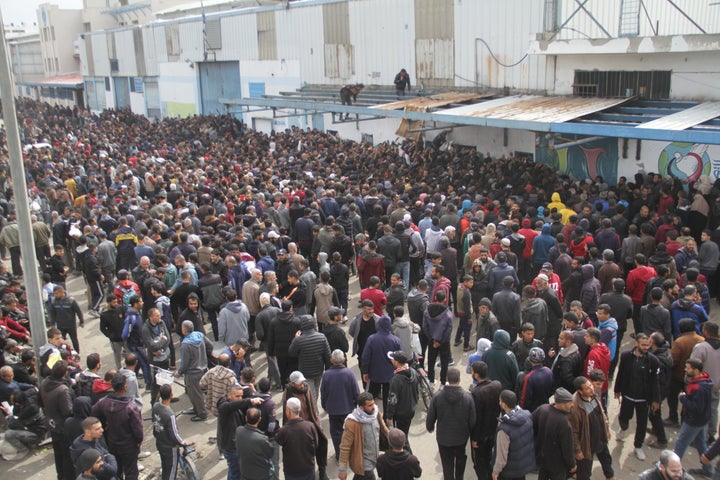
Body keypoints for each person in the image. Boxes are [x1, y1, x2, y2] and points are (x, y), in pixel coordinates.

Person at [614, 333, 661, 461]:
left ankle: (638, 446)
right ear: (636, 344)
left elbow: (655, 381)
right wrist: (617, 389)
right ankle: (623, 429)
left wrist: (656, 399)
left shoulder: (653, 361)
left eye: (648, 345)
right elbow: (621, 373)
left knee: (642, 423)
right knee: (624, 417)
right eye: (643, 345)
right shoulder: (626, 356)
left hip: (643, 398)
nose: (646, 347)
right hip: (628, 395)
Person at [426, 367, 476, 480]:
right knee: (460, 459)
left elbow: (431, 416)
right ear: (459, 379)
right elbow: (472, 419)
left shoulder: (437, 396)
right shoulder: (468, 397)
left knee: (447, 464)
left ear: (447, 379)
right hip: (461, 437)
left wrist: (430, 427)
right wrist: (472, 434)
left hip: (444, 438)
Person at [91, 373, 143, 480]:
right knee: (131, 471)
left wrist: (104, 425)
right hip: (128, 445)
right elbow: (138, 430)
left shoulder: (104, 402)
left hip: (112, 442)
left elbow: (93, 412)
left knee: (117, 469)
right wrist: (138, 441)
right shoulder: (130, 407)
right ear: (125, 386)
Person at [673, 358, 714, 478]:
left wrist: (683, 398)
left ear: (696, 370)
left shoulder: (699, 387)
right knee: (701, 444)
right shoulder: (705, 381)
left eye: (688, 368)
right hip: (702, 420)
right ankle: (707, 470)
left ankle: (671, 467)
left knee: (681, 443)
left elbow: (696, 407)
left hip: (693, 420)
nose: (686, 370)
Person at [568, 376, 614, 480]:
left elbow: (601, 412)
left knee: (606, 459)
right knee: (585, 472)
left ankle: (610, 476)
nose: (592, 389)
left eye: (590, 386)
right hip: (587, 444)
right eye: (587, 388)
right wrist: (578, 451)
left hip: (601, 438)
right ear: (580, 391)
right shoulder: (575, 407)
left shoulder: (594, 394)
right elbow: (574, 432)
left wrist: (606, 429)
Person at [338, 391, 389, 480]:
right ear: (361, 408)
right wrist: (342, 470)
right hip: (364, 463)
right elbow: (345, 447)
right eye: (369, 406)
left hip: (375, 458)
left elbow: (384, 428)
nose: (373, 407)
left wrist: (395, 443)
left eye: (373, 404)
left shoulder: (375, 412)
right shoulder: (352, 422)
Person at [321, 349, 360, 461]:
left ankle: (340, 455)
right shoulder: (349, 373)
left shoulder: (327, 375)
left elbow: (323, 392)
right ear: (343, 360)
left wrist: (324, 405)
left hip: (333, 410)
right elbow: (356, 392)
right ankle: (348, 453)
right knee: (348, 433)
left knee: (336, 433)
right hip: (347, 409)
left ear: (331, 360)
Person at [39, 360, 75, 480]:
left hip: (52, 424)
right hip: (62, 427)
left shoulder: (44, 383)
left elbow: (40, 401)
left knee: (58, 454)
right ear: (65, 373)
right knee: (67, 456)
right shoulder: (63, 389)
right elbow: (68, 411)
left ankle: (61, 476)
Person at [531, 387, 577, 480]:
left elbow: (531, 426)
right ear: (562, 404)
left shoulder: (542, 409)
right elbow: (567, 448)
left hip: (542, 458)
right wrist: (572, 465)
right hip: (557, 464)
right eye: (569, 403)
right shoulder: (564, 423)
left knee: (542, 476)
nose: (572, 405)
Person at [360, 314, 401, 411]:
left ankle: (369, 417)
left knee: (370, 397)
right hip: (390, 376)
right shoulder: (396, 340)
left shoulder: (372, 339)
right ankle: (387, 419)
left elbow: (365, 357)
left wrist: (365, 371)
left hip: (375, 374)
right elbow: (399, 358)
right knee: (388, 400)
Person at [492, 390, 536, 480]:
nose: (499, 403)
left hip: (509, 471)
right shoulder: (527, 415)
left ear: (504, 405)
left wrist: (496, 471)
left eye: (500, 401)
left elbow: (502, 457)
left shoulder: (503, 430)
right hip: (522, 466)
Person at [275, 397, 321, 480]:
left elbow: (278, 440)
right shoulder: (310, 426)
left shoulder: (284, 430)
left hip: (292, 471)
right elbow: (316, 444)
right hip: (308, 468)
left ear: (288, 410)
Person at [470, 361, 502, 480]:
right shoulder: (497, 385)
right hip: (493, 429)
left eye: (472, 372)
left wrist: (475, 439)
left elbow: (477, 419)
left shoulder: (476, 393)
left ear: (477, 375)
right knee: (489, 457)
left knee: (479, 462)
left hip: (481, 435)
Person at [289, 314, 331, 402]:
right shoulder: (321, 337)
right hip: (319, 370)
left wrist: (295, 338)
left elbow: (291, 353)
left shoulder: (298, 340)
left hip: (305, 373)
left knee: (311, 395)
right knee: (315, 392)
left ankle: (314, 413)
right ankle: (314, 411)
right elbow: (328, 356)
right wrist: (327, 370)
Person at [175, 320, 212, 421]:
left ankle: (202, 413)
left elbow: (185, 363)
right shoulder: (200, 335)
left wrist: (179, 372)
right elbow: (210, 346)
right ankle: (197, 409)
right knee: (196, 393)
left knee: (196, 394)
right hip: (203, 369)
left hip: (192, 373)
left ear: (184, 330)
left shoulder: (185, 344)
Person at [152, 385, 190, 480]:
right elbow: (174, 434)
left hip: (160, 443)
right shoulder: (170, 414)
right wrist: (183, 442)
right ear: (171, 395)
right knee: (172, 471)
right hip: (170, 447)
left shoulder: (155, 406)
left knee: (165, 467)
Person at [691, 321, 720, 442]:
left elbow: (692, 366)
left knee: (699, 410)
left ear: (706, 332)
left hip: (701, 385)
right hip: (716, 385)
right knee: (713, 409)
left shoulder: (701, 347)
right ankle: (711, 434)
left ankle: (699, 435)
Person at [386, 350, 418, 448]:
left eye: (392, 359)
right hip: (410, 410)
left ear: (396, 362)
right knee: (405, 433)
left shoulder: (396, 380)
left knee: (401, 438)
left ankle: (407, 455)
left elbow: (393, 400)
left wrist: (389, 416)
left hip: (400, 414)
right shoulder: (413, 372)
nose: (391, 360)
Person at [69, 416, 118, 480]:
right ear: (88, 432)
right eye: (97, 429)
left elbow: (105, 451)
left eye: (101, 427)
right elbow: (112, 470)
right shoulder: (87, 452)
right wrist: (110, 457)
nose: (102, 430)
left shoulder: (94, 439)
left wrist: (107, 455)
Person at [235, 407, 275, 480]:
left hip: (245, 472)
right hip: (261, 475)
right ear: (259, 419)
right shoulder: (262, 439)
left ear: (246, 418)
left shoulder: (239, 431)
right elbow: (270, 453)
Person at [142, 307, 171, 405]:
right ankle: (154, 402)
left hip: (165, 357)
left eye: (159, 315)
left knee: (166, 378)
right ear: (151, 317)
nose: (159, 317)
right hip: (155, 361)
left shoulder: (161, 323)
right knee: (156, 382)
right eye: (157, 315)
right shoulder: (146, 329)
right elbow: (152, 346)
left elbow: (168, 338)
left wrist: (161, 347)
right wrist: (162, 340)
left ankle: (167, 397)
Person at [423, 289, 453, 386]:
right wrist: (440, 341)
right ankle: (443, 383)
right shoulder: (448, 313)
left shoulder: (427, 310)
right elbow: (448, 330)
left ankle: (431, 381)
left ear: (435, 298)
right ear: (445, 299)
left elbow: (425, 326)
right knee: (444, 362)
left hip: (431, 340)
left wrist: (432, 339)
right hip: (444, 342)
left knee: (431, 360)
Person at [48, 285, 84, 353]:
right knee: (61, 341)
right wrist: (52, 324)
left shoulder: (71, 300)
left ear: (62, 292)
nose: (55, 295)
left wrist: (81, 321)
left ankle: (77, 352)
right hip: (60, 325)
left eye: (56, 293)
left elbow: (78, 311)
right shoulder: (54, 302)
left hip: (71, 325)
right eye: (54, 294)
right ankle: (64, 353)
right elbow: (52, 313)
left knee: (74, 340)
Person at [99, 295, 125, 369]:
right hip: (115, 340)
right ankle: (119, 370)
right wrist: (110, 336)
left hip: (124, 337)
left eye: (116, 302)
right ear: (108, 303)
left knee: (129, 354)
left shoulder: (120, 308)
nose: (116, 304)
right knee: (117, 357)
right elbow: (102, 328)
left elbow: (125, 319)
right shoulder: (104, 314)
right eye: (114, 302)